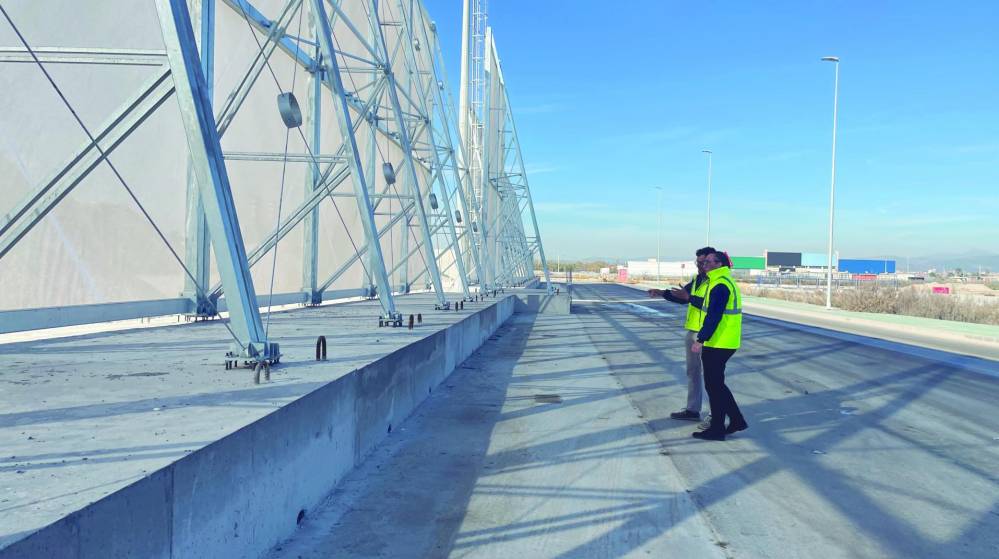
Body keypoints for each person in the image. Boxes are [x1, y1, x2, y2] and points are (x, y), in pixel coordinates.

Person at [647, 247, 715, 422]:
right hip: (694, 332)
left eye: (704, 262)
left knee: (711, 376)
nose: (700, 266)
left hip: (710, 334)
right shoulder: (698, 280)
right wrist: (662, 293)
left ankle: (717, 413)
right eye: (698, 262)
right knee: (693, 372)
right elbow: (682, 297)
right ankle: (693, 410)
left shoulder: (716, 282)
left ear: (713, 261)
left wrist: (689, 298)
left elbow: (712, 307)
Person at [689, 250, 748, 441]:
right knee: (717, 385)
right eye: (703, 261)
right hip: (724, 341)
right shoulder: (720, 281)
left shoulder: (720, 284)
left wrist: (701, 339)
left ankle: (717, 429)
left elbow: (714, 316)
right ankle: (737, 420)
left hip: (719, 343)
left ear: (719, 264)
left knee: (714, 387)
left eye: (708, 261)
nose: (704, 264)